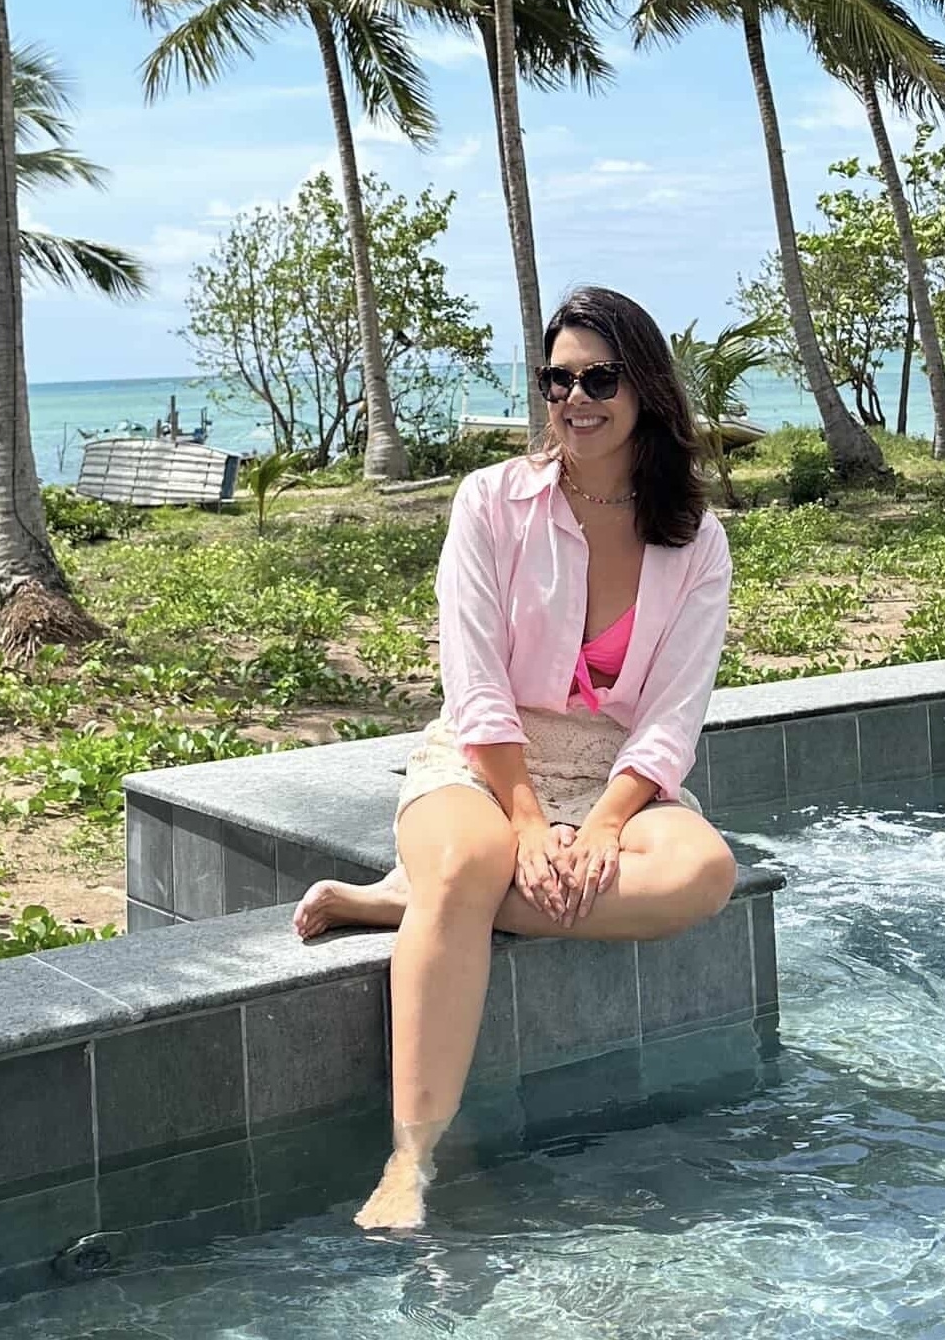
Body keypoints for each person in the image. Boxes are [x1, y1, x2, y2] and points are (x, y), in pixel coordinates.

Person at [293, 287, 739, 1231]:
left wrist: (604, 825)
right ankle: (411, 1159)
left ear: (647, 388)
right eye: (557, 380)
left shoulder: (696, 538)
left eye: (600, 379)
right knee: (472, 855)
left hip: (614, 773)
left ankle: (420, 901)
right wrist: (529, 822)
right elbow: (475, 682)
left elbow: (672, 716)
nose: (576, 398)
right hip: (485, 758)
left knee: (703, 873)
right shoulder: (492, 501)